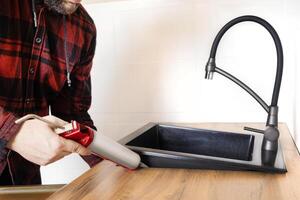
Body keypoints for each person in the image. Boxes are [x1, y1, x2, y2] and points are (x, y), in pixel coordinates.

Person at [0, 0, 101, 185]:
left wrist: (109, 163)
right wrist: (12, 133)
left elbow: (73, 113)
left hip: (23, 183)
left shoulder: (84, 29)